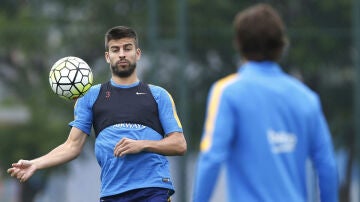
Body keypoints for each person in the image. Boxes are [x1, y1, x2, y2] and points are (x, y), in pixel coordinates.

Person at [7, 26, 187, 202]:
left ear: (137, 54)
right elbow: (72, 146)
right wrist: (36, 163)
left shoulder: (158, 95)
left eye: (127, 48)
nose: (122, 54)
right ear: (108, 57)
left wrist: (142, 145)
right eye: (115, 49)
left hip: (152, 188)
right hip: (112, 191)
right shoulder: (91, 96)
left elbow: (179, 144)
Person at [192, 3, 338, 202]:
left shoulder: (228, 92)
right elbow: (327, 165)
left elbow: (211, 158)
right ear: (281, 45)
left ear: (239, 43)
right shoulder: (307, 98)